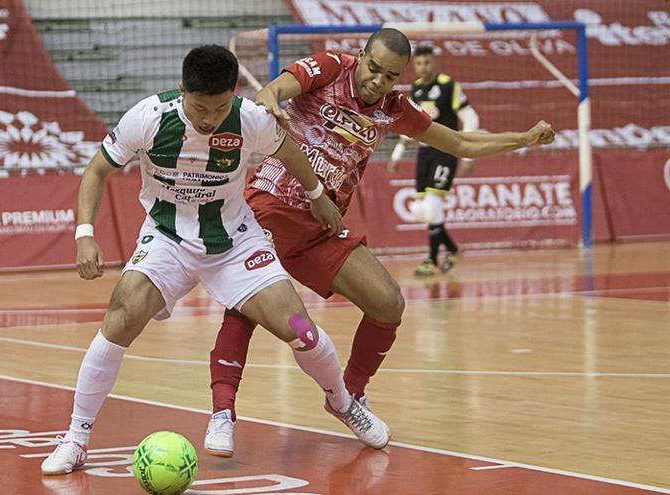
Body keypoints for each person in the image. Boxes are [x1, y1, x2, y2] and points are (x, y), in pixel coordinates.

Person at [40, 45, 391, 476]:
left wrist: (317, 196)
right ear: (183, 90)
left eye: (219, 107)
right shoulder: (149, 117)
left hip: (236, 243)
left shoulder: (250, 119)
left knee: (302, 330)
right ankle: (76, 438)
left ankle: (341, 401)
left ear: (234, 96)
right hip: (168, 239)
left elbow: (290, 154)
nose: (208, 118)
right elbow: (96, 170)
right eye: (200, 107)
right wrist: (85, 235)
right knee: (121, 315)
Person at [204, 29, 554, 457]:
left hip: (323, 224)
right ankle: (222, 413)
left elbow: (459, 142)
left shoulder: (394, 108)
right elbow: (279, 87)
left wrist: (522, 139)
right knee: (246, 307)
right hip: (269, 208)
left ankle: (347, 398)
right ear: (361, 56)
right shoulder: (331, 68)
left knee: (388, 303)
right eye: (373, 68)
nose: (378, 81)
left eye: (390, 76)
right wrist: (272, 99)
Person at [387, 45, 481, 276]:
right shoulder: (416, 89)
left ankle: (431, 258)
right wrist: (397, 153)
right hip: (425, 152)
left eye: (427, 62)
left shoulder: (448, 85)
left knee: (431, 207)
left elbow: (471, 118)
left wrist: (467, 153)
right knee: (421, 210)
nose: (423, 67)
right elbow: (410, 125)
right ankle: (451, 249)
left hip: (446, 151)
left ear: (434, 63)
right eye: (418, 63)